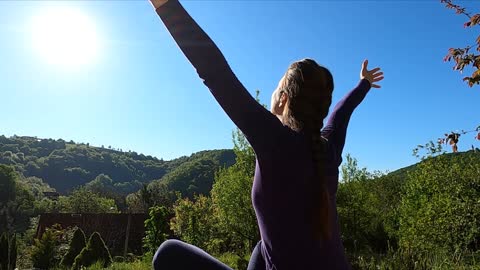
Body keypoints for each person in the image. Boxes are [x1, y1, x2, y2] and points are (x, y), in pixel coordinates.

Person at [149, 0, 384, 269]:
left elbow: (214, 71)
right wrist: (363, 84)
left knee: (167, 252)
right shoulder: (327, 148)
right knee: (263, 245)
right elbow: (341, 113)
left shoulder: (276, 140)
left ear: (283, 98)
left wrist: (164, 5)